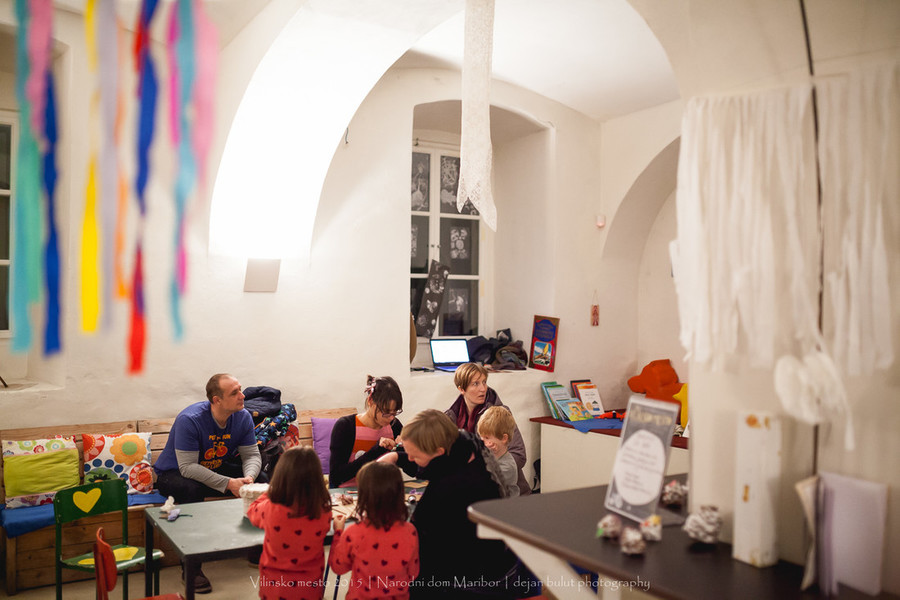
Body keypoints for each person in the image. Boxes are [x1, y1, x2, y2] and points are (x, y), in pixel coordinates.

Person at [379, 410, 532, 599]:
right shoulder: (466, 443)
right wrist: (396, 457)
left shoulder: (453, 487)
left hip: (473, 577)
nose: (409, 458)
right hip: (490, 555)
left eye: (414, 455)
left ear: (439, 452)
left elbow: (422, 539)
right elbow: (431, 464)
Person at [154, 373, 267, 593]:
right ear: (217, 400)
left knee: (262, 480)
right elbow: (188, 468)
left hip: (211, 469)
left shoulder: (242, 416)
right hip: (173, 474)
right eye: (234, 392)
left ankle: (256, 549)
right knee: (191, 490)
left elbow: (252, 455)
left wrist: (248, 479)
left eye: (240, 389)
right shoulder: (190, 419)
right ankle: (191, 567)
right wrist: (229, 483)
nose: (242, 395)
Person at [247, 446, 333, 600]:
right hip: (310, 590)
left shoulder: (271, 508)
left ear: (280, 476)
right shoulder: (324, 511)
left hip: (275, 590)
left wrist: (271, 492)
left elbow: (252, 510)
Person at [329, 462, 419, 599]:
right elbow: (413, 573)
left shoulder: (354, 532)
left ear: (364, 496)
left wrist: (338, 533)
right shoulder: (410, 531)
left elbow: (338, 567)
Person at [445, 363, 531, 495]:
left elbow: (519, 454)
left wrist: (485, 472)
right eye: (475, 384)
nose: (483, 389)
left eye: (484, 382)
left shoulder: (500, 414)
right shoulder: (450, 418)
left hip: (505, 493)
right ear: (462, 389)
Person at [329, 375, 404, 488]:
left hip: (385, 491)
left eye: (394, 412)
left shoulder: (394, 426)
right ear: (370, 401)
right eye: (386, 412)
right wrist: (376, 451)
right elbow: (336, 476)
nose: (391, 418)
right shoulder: (346, 426)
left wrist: (403, 450)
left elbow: (413, 471)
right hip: (351, 492)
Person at [476, 406, 520, 498]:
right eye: (481, 437)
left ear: (504, 438)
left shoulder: (508, 467)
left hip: (505, 505)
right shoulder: (489, 455)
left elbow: (483, 479)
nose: (482, 441)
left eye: (487, 438)